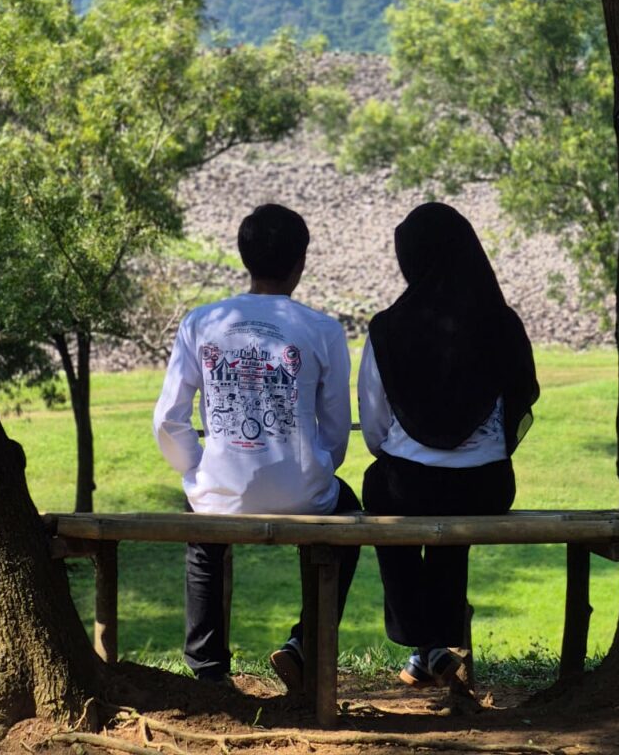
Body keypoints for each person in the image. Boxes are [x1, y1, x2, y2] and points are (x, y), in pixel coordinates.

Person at [153, 203, 360, 691]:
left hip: (220, 493)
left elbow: (168, 419)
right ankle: (306, 645)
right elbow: (335, 429)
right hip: (306, 494)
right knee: (348, 513)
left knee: (203, 532)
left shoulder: (201, 322)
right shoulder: (324, 330)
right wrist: (315, 469)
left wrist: (197, 471)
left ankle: (207, 669)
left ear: (243, 257)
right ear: (300, 262)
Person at [358, 202, 538, 689]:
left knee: (380, 489)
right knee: (453, 517)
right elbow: (520, 398)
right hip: (487, 486)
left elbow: (374, 429)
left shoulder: (387, 329)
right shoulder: (502, 323)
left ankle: (424, 640)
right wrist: (478, 454)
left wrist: (413, 453)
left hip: (408, 486)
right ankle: (435, 648)